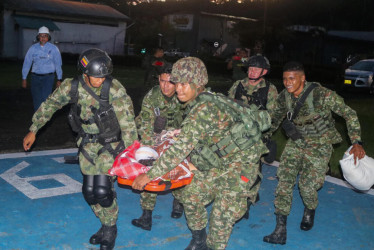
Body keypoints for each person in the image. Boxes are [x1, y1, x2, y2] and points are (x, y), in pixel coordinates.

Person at [132, 57, 271, 249]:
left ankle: (212, 244)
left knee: (219, 223)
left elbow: (180, 149)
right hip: (220, 162)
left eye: (184, 84)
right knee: (188, 193)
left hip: (240, 169)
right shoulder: (206, 99)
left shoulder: (203, 109)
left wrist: (148, 176)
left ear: (197, 84)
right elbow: (210, 132)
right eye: (176, 83)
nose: (178, 89)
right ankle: (199, 240)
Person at [23, 48, 137, 250]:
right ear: (85, 73)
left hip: (110, 144)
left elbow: (128, 124)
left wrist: (129, 156)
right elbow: (50, 105)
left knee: (102, 191)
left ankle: (110, 228)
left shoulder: (114, 89)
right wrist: (33, 129)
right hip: (87, 144)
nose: (101, 80)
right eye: (96, 77)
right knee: (89, 193)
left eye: (104, 76)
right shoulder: (71, 87)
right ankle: (105, 223)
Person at [263, 61, 366, 245]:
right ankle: (280, 230)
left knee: (307, 186)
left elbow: (348, 114)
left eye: (292, 78)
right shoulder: (284, 97)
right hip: (296, 142)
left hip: (320, 144)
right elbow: (275, 118)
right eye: (285, 79)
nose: (287, 82)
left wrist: (356, 141)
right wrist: (265, 137)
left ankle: (310, 209)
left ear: (303, 78)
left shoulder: (321, 94)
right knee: (284, 181)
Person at [132, 63, 185, 231]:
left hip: (180, 137)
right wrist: (149, 148)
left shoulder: (184, 94)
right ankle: (146, 215)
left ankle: (178, 202)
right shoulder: (152, 96)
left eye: (170, 82)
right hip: (156, 137)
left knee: (179, 169)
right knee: (149, 171)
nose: (165, 86)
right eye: (162, 81)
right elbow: (146, 123)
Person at [227, 55, 278, 219]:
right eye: (250, 68)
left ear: (264, 71)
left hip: (257, 137)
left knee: (253, 172)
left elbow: (272, 117)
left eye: (256, 68)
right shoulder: (238, 85)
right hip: (237, 135)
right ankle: (237, 195)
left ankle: (248, 201)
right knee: (234, 169)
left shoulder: (270, 90)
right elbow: (227, 106)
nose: (252, 71)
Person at [22, 26, 63, 111]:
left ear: (48, 37)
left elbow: (58, 64)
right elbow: (27, 63)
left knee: (45, 100)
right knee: (37, 100)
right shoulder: (33, 48)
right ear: (38, 37)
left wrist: (59, 79)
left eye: (45, 36)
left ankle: (44, 120)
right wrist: (24, 78)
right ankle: (38, 121)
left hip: (48, 78)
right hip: (35, 78)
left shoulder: (54, 49)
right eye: (41, 36)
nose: (43, 38)